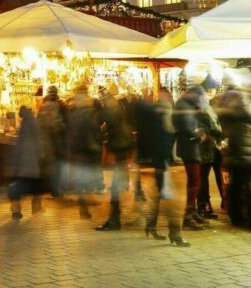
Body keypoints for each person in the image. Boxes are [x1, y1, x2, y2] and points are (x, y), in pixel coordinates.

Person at [133, 89, 187, 246]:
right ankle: (175, 234)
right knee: (172, 200)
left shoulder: (156, 118)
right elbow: (161, 144)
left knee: (160, 197)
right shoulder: (159, 118)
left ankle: (151, 226)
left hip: (157, 164)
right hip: (160, 165)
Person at [215, 75, 251, 227]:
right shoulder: (238, 101)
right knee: (249, 187)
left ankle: (236, 217)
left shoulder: (223, 105)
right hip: (243, 153)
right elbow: (250, 116)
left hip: (232, 153)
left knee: (235, 187)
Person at [96, 83, 134, 231]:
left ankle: (114, 219)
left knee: (116, 185)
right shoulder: (119, 105)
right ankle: (115, 216)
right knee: (117, 183)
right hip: (123, 146)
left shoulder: (110, 108)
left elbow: (103, 120)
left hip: (119, 147)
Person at [173, 85, 210, 230]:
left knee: (195, 181)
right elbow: (188, 128)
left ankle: (192, 212)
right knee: (195, 181)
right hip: (189, 146)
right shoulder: (184, 106)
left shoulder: (185, 104)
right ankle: (188, 215)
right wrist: (200, 134)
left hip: (189, 146)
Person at [66, 84, 102, 219]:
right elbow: (96, 125)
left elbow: (69, 127)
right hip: (89, 146)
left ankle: (83, 204)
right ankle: (87, 201)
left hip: (77, 146)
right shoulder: (92, 106)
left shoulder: (71, 107)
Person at [7, 105, 43, 219]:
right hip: (32, 159)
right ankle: (35, 206)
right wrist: (41, 155)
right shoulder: (33, 122)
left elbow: (20, 142)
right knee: (33, 184)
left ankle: (16, 209)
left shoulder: (25, 124)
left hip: (23, 160)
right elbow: (38, 140)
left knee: (21, 185)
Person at [196, 90, 224, 219]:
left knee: (205, 177)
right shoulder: (206, 110)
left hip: (208, 148)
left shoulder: (202, 109)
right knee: (203, 178)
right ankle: (204, 206)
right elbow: (215, 129)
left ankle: (206, 205)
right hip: (207, 148)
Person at [37, 85, 67, 197]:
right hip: (55, 141)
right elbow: (57, 124)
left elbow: (38, 123)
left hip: (45, 141)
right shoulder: (57, 106)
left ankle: (49, 188)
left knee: (49, 166)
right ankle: (56, 190)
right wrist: (63, 128)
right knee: (56, 166)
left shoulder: (43, 106)